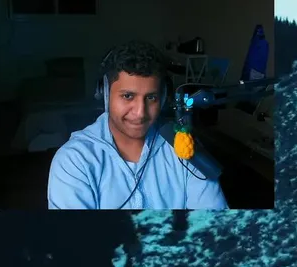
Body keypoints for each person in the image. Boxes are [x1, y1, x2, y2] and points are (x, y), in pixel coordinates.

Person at [47, 40, 228, 210]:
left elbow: (216, 224)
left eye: (151, 97)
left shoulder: (184, 147)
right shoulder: (74, 160)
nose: (140, 112)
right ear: (105, 95)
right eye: (127, 96)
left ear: (163, 97)